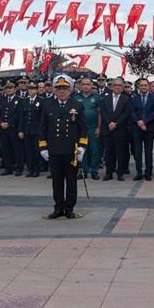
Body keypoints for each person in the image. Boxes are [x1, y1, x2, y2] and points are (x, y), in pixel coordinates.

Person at [39, 75, 87, 219]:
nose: (61, 91)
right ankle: (58, 208)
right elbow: (42, 128)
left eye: (65, 88)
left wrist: (82, 147)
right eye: (58, 88)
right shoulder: (48, 105)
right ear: (54, 90)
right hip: (54, 150)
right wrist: (43, 148)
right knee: (57, 181)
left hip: (71, 151)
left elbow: (83, 129)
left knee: (71, 181)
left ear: (70, 90)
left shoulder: (77, 105)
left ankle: (70, 209)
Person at [100, 77, 131, 180]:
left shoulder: (126, 99)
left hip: (120, 130)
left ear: (122, 87)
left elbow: (126, 114)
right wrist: (109, 123)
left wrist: (116, 123)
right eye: (115, 85)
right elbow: (103, 112)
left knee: (120, 153)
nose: (117, 87)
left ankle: (120, 173)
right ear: (112, 86)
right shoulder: (105, 98)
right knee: (108, 153)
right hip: (108, 129)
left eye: (119, 85)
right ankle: (109, 173)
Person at [131, 78, 154, 181]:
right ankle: (139, 172)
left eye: (145, 85)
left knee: (148, 151)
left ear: (148, 86)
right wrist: (138, 122)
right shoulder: (134, 98)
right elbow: (132, 112)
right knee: (137, 151)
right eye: (141, 85)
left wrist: (144, 121)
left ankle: (148, 172)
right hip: (137, 128)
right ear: (138, 86)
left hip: (149, 128)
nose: (143, 87)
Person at [76, 77, 103, 180]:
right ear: (80, 86)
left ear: (91, 85)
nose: (86, 86)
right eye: (84, 84)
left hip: (93, 128)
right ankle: (83, 170)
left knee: (94, 150)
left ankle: (94, 171)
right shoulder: (75, 97)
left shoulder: (96, 97)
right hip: (80, 129)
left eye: (88, 84)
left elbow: (100, 113)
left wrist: (99, 127)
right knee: (81, 150)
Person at [17, 83, 44, 177]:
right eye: (29, 89)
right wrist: (20, 130)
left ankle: (36, 169)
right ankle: (30, 168)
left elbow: (42, 118)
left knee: (36, 151)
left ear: (36, 90)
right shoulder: (24, 101)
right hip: (27, 130)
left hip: (36, 130)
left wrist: (41, 131)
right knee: (28, 151)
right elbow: (21, 117)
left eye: (33, 89)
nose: (31, 91)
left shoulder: (41, 101)